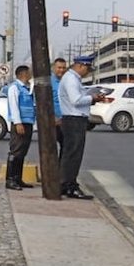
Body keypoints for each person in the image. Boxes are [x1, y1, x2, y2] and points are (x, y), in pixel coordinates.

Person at [56, 55, 112, 200]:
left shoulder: (73, 79)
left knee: (71, 153)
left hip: (74, 119)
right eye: (87, 69)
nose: (88, 72)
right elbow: (76, 100)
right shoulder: (71, 79)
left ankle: (65, 184)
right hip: (73, 119)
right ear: (80, 66)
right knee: (73, 155)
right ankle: (69, 185)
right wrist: (93, 98)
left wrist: (91, 97)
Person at [5, 65, 36, 191]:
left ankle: (18, 178)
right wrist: (18, 123)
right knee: (16, 151)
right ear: (23, 74)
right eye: (29, 73)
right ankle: (10, 179)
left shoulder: (27, 88)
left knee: (22, 152)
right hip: (20, 123)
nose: (30, 75)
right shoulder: (14, 88)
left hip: (28, 122)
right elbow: (14, 106)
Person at [51, 57, 67, 153]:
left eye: (63, 68)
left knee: (65, 146)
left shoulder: (67, 82)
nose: (61, 70)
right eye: (59, 67)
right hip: (53, 120)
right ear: (54, 68)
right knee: (51, 147)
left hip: (65, 119)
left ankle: (62, 167)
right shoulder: (49, 82)